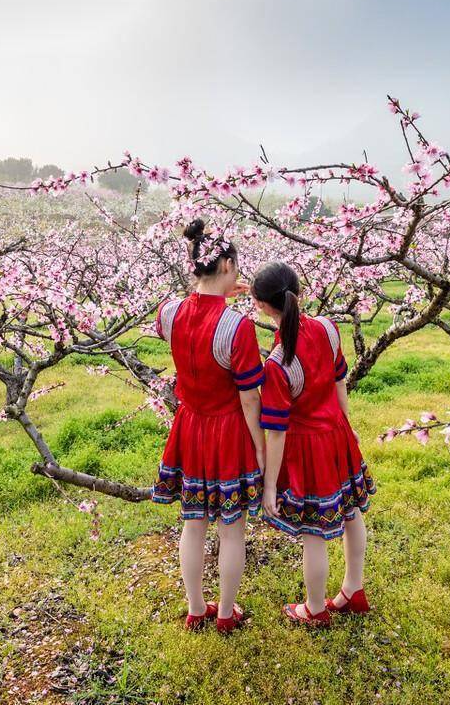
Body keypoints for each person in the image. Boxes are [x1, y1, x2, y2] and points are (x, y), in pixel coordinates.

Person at [152, 219, 265, 634]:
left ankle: (196, 608)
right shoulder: (238, 326)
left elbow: (190, 311)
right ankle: (226, 613)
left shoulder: (169, 313)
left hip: (189, 426)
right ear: (229, 264)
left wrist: (213, 292)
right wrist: (261, 449)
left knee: (193, 523)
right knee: (232, 528)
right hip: (228, 430)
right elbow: (250, 398)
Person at [251, 261, 374, 627]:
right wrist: (346, 425)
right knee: (350, 512)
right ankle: (354, 588)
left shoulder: (277, 363)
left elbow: (276, 430)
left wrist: (270, 485)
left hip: (308, 450)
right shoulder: (327, 328)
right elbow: (339, 382)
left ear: (260, 306)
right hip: (337, 434)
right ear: (298, 293)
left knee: (313, 532)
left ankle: (315, 608)